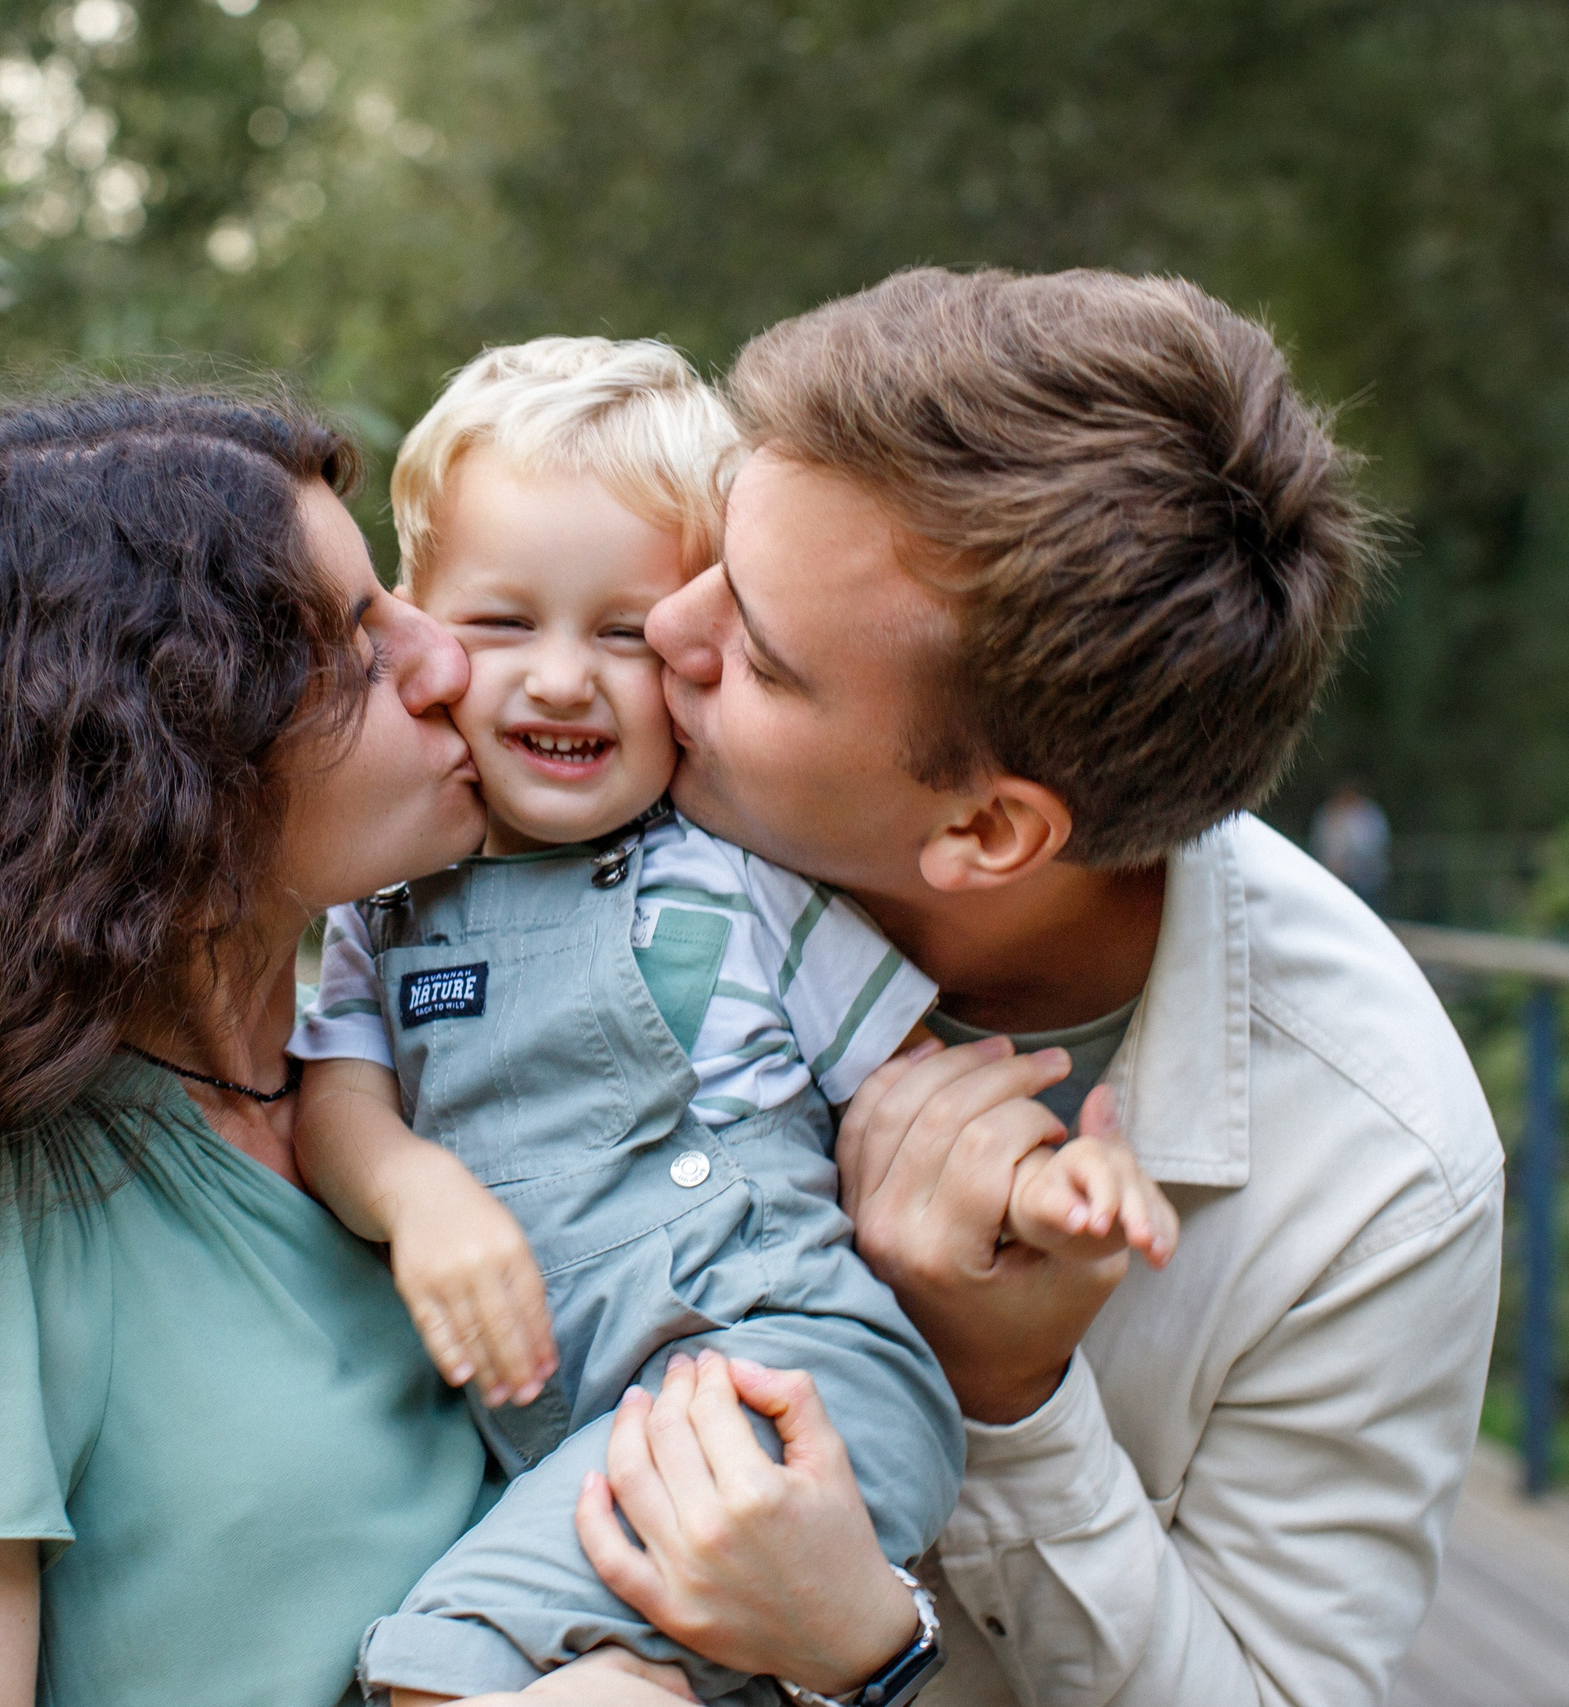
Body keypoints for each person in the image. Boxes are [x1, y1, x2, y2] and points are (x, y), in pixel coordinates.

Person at [0, 387, 864, 1707]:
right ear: (166, 765)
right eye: (358, 647)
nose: (447, 662)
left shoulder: (452, 1074)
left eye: (399, 600)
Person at [619, 269, 1505, 1705]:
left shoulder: (1376, 1168)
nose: (665, 629)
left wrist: (1009, 1398)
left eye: (761, 662)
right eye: (717, 551)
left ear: (985, 831)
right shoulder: (574, 796)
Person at [288, 338, 1176, 1706]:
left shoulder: (743, 879)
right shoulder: (392, 898)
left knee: (445, 1667)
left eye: (625, 632)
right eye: (504, 622)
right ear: (416, 621)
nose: (564, 679)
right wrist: (417, 1194)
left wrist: (1048, 1181)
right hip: (582, 1435)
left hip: (786, 1381)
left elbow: (921, 1090)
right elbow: (336, 1101)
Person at [1312, 783, 1393, 910]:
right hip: (1336, 878)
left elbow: (1374, 845)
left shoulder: (1370, 814)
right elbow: (1321, 843)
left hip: (1366, 880)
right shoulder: (1328, 812)